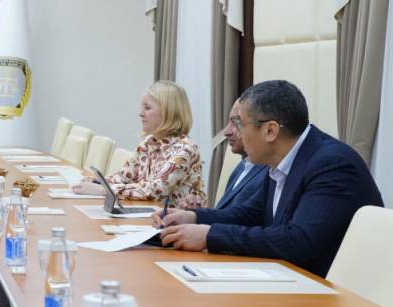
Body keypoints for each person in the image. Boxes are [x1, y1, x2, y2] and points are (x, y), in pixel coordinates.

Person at [157, 80, 384, 277]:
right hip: (290, 278)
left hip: (330, 294)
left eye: (239, 124)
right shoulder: (283, 159)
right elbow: (252, 214)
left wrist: (210, 235)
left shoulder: (332, 164)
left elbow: (298, 241)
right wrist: (194, 217)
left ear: (270, 131)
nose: (233, 132)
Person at [72, 80, 207, 207]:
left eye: (147, 108)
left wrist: (104, 190)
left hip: (171, 221)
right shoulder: (148, 143)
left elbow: (154, 190)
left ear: (168, 112)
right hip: (150, 215)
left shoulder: (185, 150)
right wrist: (97, 182)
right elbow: (124, 176)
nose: (140, 113)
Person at [213, 100, 267, 210]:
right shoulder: (242, 166)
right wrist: (198, 214)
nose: (226, 132)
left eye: (236, 123)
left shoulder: (271, 173)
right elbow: (226, 212)